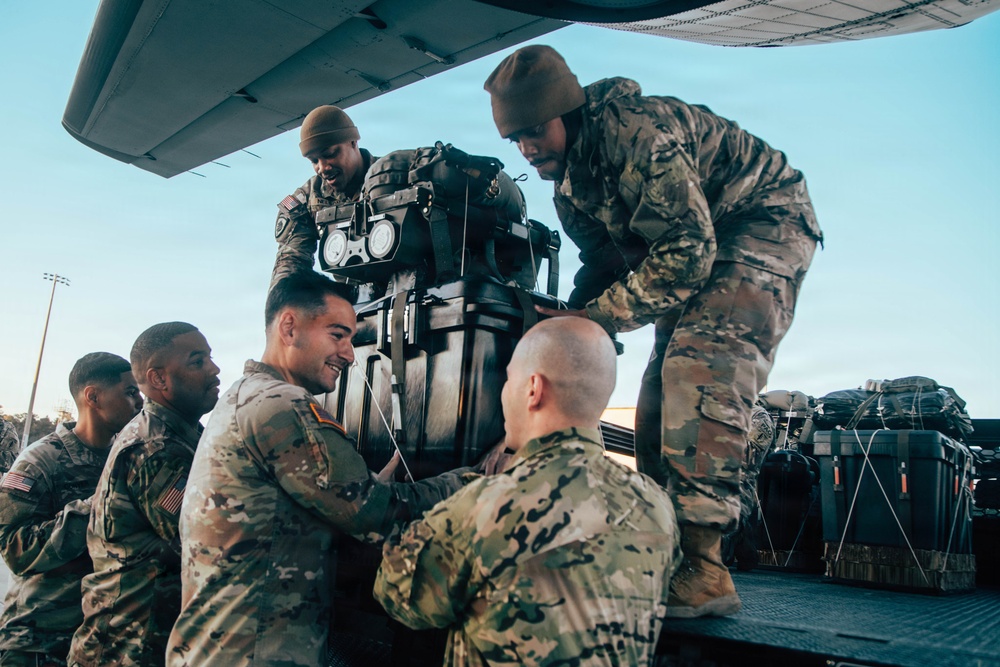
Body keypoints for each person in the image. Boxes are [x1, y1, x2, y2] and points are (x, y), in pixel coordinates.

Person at [483, 45, 823, 617]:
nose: (528, 148)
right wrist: (568, 324)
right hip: (694, 242)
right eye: (515, 139)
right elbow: (604, 265)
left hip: (761, 221)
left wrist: (597, 318)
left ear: (565, 113)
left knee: (701, 368)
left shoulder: (637, 135)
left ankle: (707, 567)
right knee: (659, 390)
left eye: (536, 130)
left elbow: (688, 253)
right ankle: (671, 551)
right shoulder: (571, 186)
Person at [166, 271, 470, 667]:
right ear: (289, 328)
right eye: (337, 335)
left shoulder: (244, 395)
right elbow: (377, 514)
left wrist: (363, 487)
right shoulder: (282, 405)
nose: (348, 353)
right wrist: (474, 478)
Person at [374, 316, 680, 666]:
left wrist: (389, 514)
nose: (503, 394)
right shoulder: (656, 504)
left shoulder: (484, 506)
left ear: (533, 389)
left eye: (508, 381)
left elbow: (397, 595)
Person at [68, 323, 221, 667]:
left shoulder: (186, 435)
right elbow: (208, 544)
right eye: (198, 361)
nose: (214, 369)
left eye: (210, 357)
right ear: (159, 379)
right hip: (125, 650)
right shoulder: (155, 448)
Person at [0, 353, 142, 666]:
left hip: (100, 641)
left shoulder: (128, 458)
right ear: (93, 396)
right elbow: (15, 549)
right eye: (130, 392)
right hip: (39, 642)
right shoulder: (40, 461)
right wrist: (98, 506)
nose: (139, 401)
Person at [272, 104, 378, 283]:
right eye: (314, 161)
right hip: (352, 302)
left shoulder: (393, 178)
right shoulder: (309, 198)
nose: (322, 168)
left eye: (329, 154)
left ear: (353, 142)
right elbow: (290, 262)